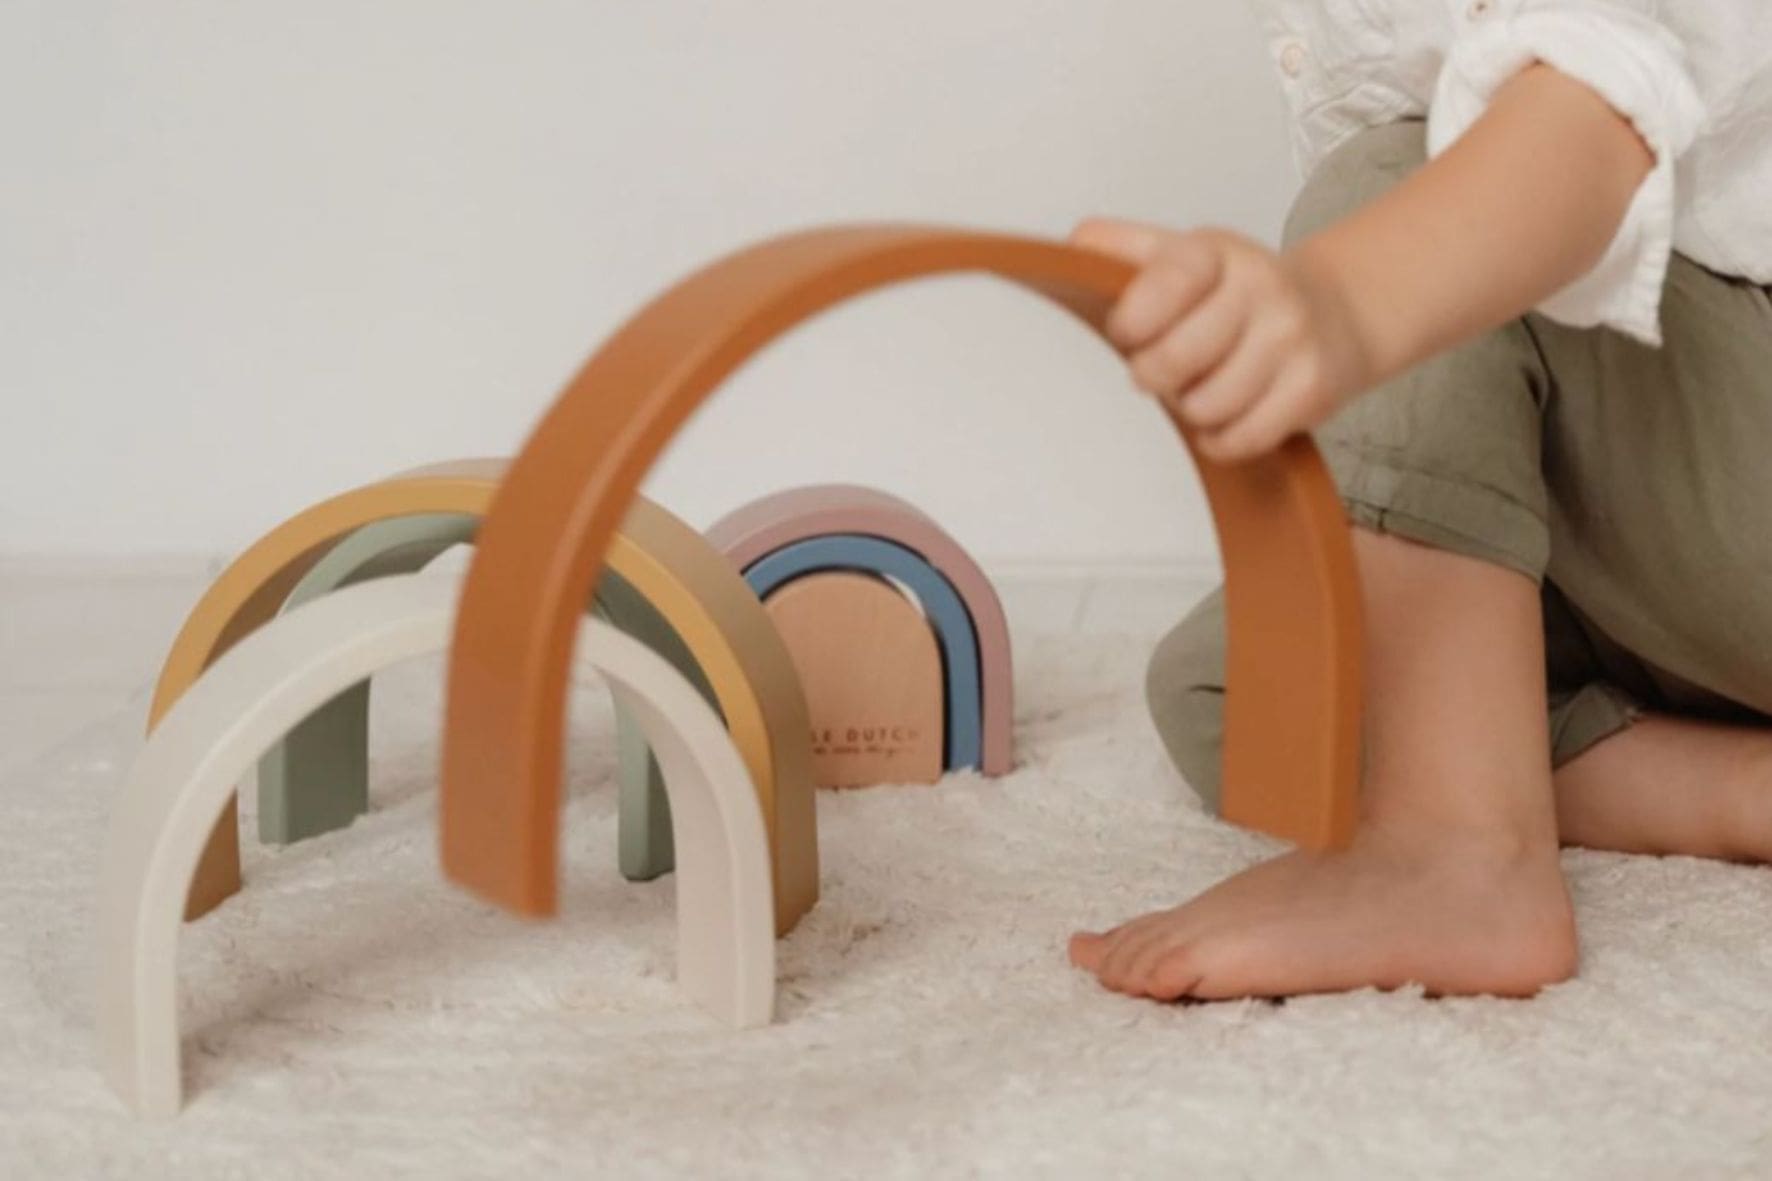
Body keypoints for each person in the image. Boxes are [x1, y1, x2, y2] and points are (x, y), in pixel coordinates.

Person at [1066, 2, 1772, 1001]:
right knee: (1240, 689)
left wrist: (1344, 303)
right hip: (1685, 566)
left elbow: (1591, 114)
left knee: (1402, 184)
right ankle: (1739, 790)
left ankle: (1450, 850)